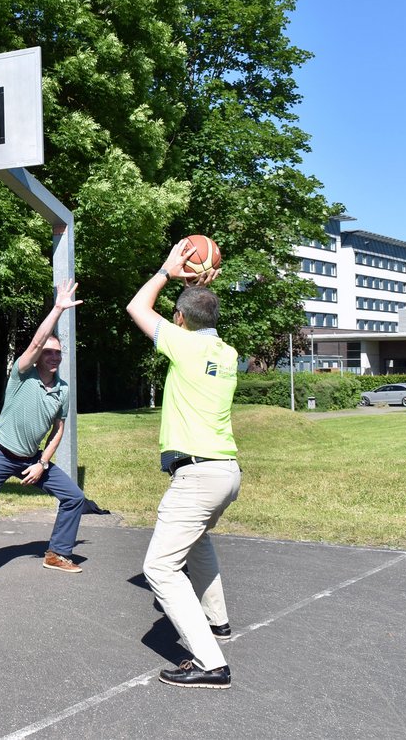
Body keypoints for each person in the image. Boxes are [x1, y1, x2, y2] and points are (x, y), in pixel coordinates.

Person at [126, 240, 241, 689]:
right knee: (198, 542)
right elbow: (201, 315)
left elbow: (136, 305)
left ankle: (210, 663)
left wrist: (167, 271)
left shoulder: (182, 345)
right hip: (226, 471)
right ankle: (218, 622)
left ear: (179, 320)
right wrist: (196, 285)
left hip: (197, 475)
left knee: (159, 569)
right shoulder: (227, 354)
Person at [0, 279, 87, 584]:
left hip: (31, 459)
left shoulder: (63, 391)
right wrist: (57, 309)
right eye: (49, 353)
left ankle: (56, 553)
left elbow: (59, 430)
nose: (54, 357)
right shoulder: (22, 374)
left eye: (58, 354)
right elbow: (37, 341)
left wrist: (42, 464)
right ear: (40, 356)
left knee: (74, 497)